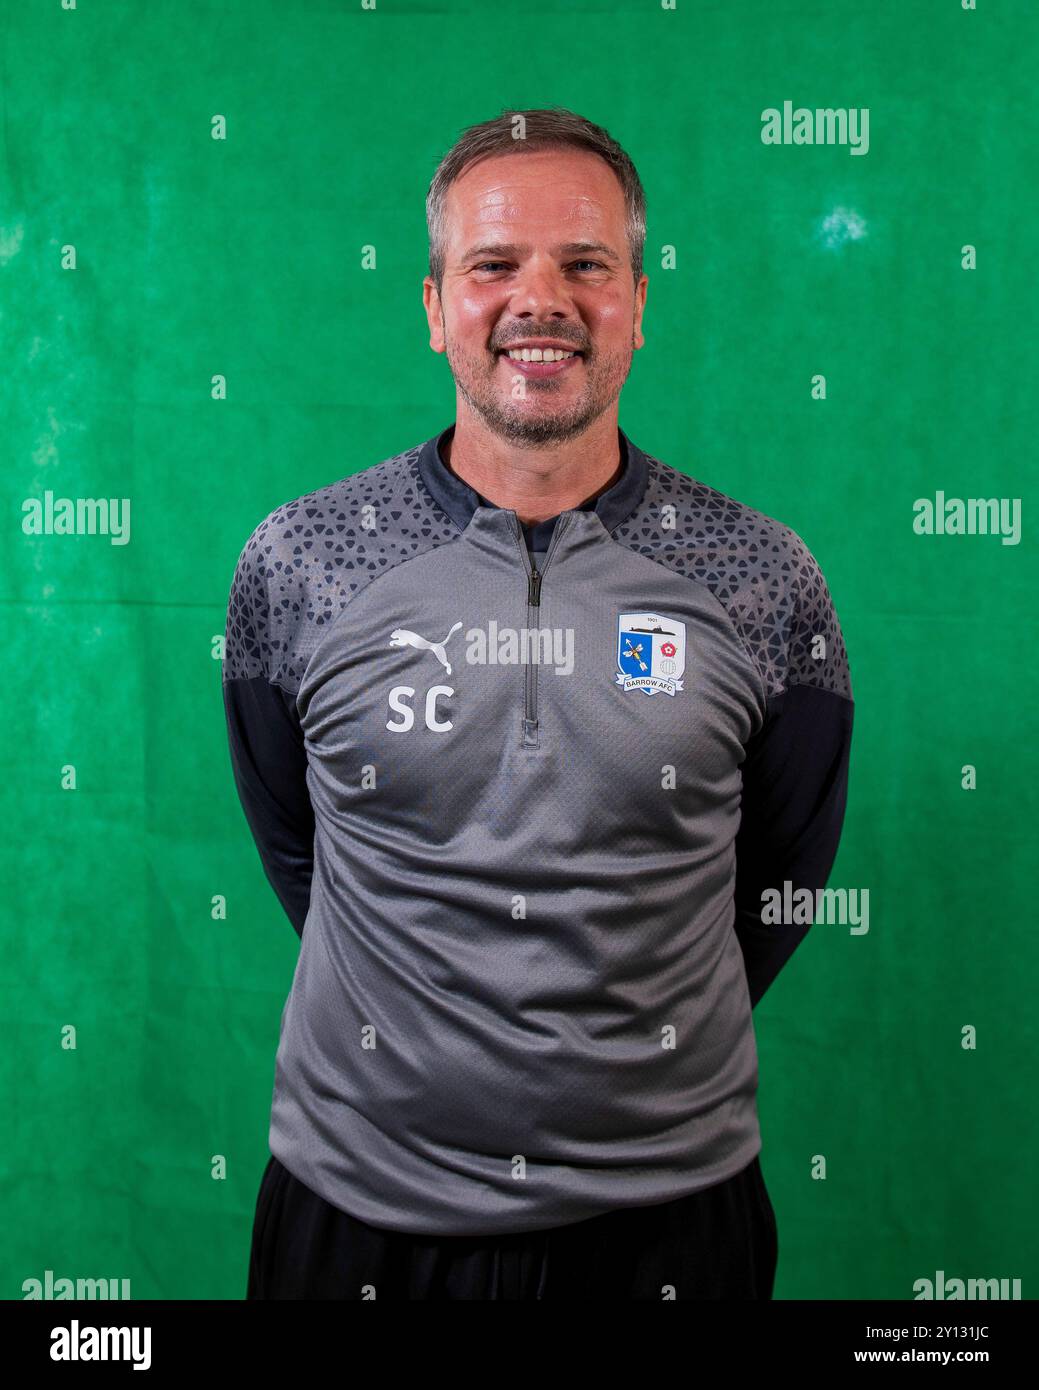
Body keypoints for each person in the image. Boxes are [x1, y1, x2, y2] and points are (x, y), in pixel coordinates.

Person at [223, 107, 854, 1300]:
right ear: (432, 307)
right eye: (494, 264)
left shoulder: (762, 575)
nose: (540, 299)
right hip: (354, 1216)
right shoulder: (300, 560)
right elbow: (305, 850)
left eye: (585, 265)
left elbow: (773, 881)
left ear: (638, 303)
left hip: (667, 1226)